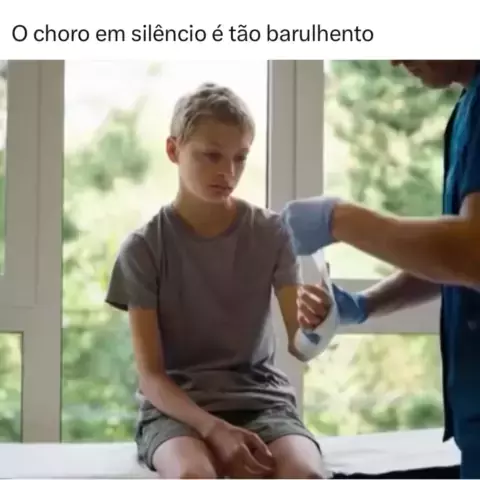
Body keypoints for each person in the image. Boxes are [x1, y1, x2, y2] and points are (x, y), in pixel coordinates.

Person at [105, 83, 328, 479]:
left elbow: (302, 347)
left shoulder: (272, 233)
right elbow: (152, 378)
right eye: (211, 155)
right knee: (194, 476)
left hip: (263, 403)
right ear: (173, 150)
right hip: (177, 412)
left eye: (240, 158)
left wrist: (321, 325)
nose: (228, 172)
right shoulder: (143, 248)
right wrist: (214, 429)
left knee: (304, 474)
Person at [281, 60, 480, 479]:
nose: (394, 59)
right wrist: (362, 305)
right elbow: (452, 260)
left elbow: (473, 254)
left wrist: (339, 220)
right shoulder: (467, 108)